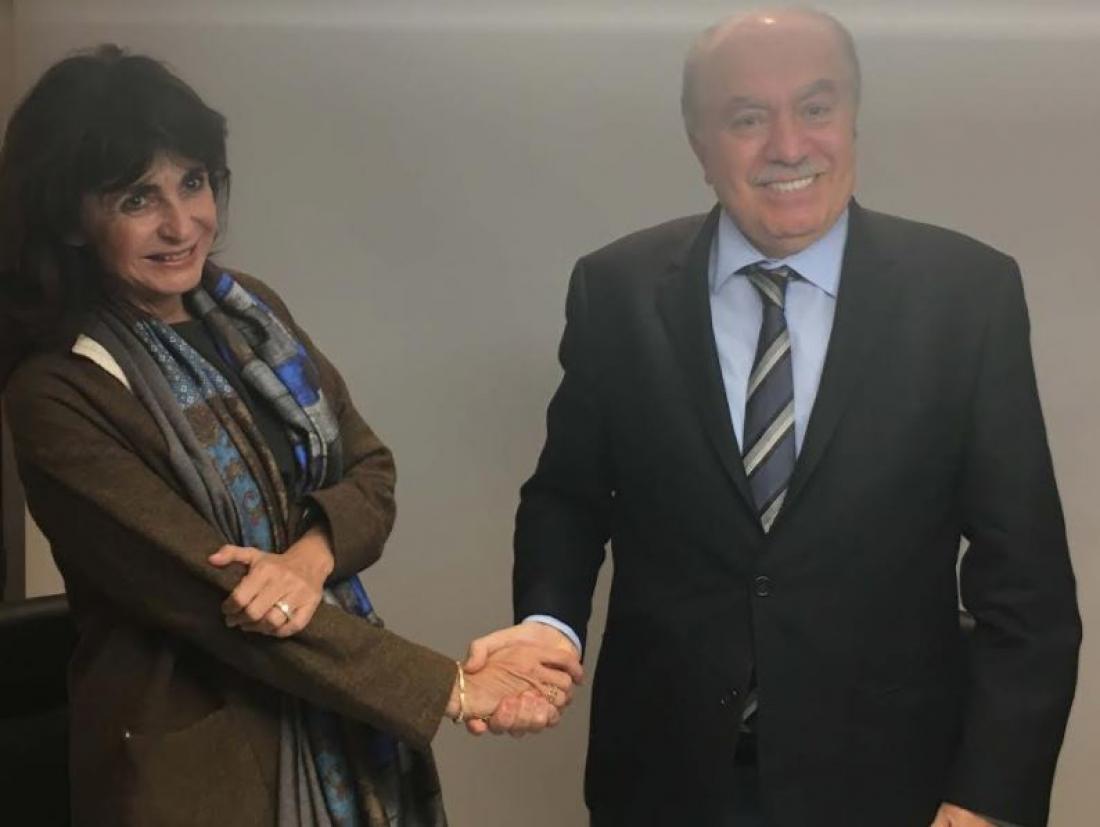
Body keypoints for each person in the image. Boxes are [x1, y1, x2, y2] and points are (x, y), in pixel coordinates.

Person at [466, 8, 1081, 826]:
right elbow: (568, 497)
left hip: (897, 786)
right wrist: (550, 624)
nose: (789, 145)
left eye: (815, 108)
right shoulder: (616, 290)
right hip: (664, 782)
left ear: (852, 117)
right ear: (700, 142)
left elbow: (1027, 585)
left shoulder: (967, 296)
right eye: (748, 118)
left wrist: (988, 798)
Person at [0, 46, 581, 826]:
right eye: (138, 198)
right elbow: (223, 599)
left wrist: (308, 559)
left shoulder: (250, 315)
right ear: (71, 219)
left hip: (341, 722)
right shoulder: (58, 390)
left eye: (194, 182)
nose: (182, 224)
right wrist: (452, 685)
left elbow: (369, 471)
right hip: (201, 772)